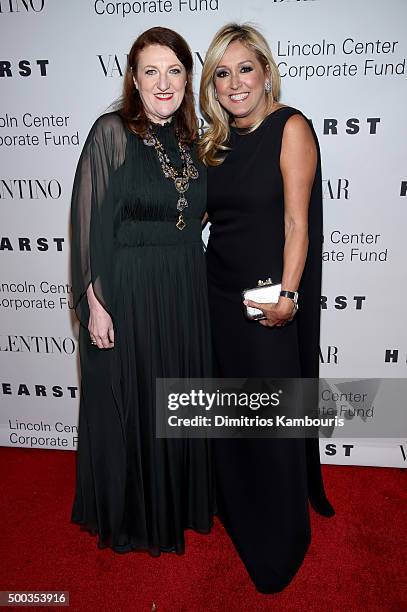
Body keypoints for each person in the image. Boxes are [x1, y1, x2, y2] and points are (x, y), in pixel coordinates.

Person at [199, 23, 335, 593]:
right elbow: (200, 221)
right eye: (222, 74)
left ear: (265, 70)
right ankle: (234, 503)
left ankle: (279, 537)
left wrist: (288, 295)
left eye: (244, 69)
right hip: (215, 294)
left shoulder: (290, 127)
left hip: (265, 298)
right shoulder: (215, 142)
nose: (235, 84)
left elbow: (297, 224)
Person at [70, 27, 215, 556]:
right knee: (132, 403)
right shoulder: (111, 132)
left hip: (182, 287)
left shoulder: (191, 140)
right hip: (128, 290)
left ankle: (174, 502)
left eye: (174, 70)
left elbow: (194, 212)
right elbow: (87, 224)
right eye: (150, 71)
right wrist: (95, 304)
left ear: (187, 78)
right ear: (133, 78)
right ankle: (135, 514)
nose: (163, 82)